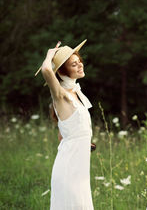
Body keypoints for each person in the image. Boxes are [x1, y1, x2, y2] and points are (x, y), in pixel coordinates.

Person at [35, 39, 94, 210]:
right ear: (62, 72)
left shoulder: (76, 94)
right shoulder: (60, 95)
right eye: (74, 64)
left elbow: (64, 134)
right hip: (69, 170)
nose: (80, 65)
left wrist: (84, 141)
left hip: (80, 167)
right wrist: (49, 55)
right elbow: (46, 69)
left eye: (79, 61)